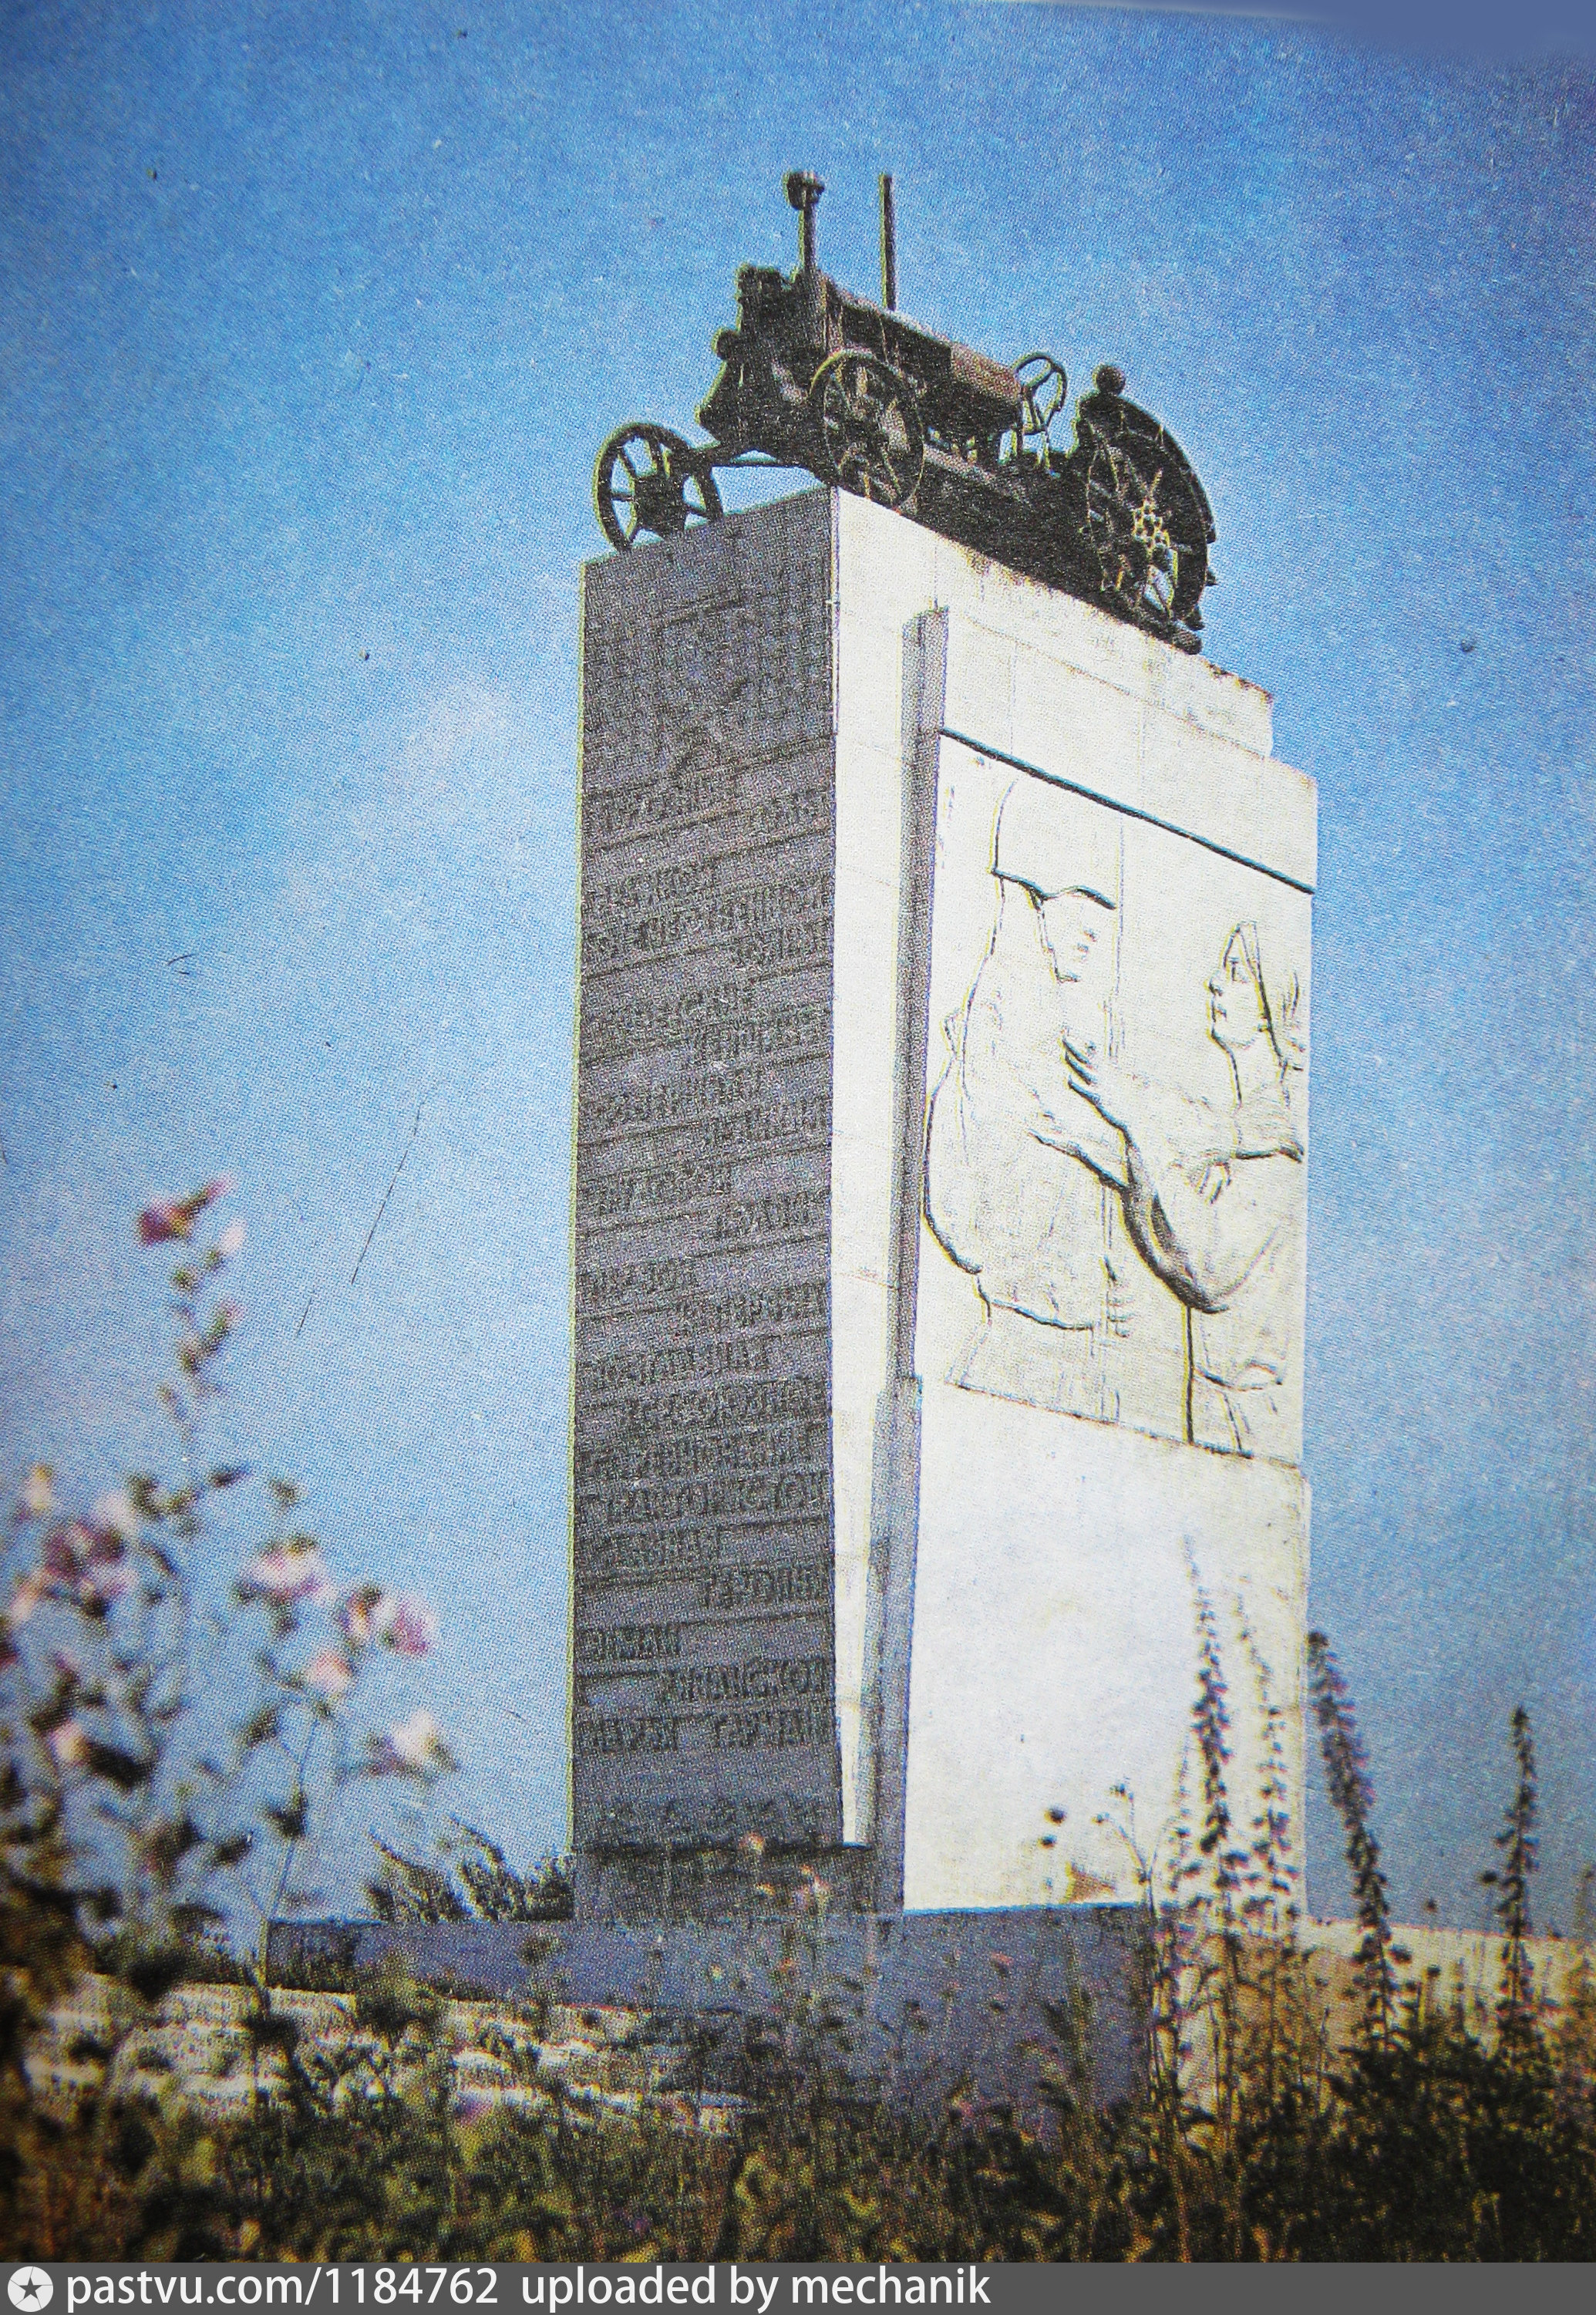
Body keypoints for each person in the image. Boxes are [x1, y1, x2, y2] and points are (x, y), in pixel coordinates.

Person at [923, 776, 1136, 1424]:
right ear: (1035, 903)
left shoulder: (1056, 1016)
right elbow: (1061, 1129)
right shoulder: (1007, 1010)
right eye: (1077, 904)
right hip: (1027, 1336)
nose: (1093, 931)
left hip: (1071, 1337)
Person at [1064, 921, 1306, 1459]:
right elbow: (1171, 1202)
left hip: (1247, 1425)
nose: (1216, 984)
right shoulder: (1238, 1129)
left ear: (1270, 1011)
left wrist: (1136, 1122)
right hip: (1212, 1408)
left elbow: (1206, 1266)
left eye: (1237, 975)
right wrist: (1090, 1138)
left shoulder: (1279, 1151)